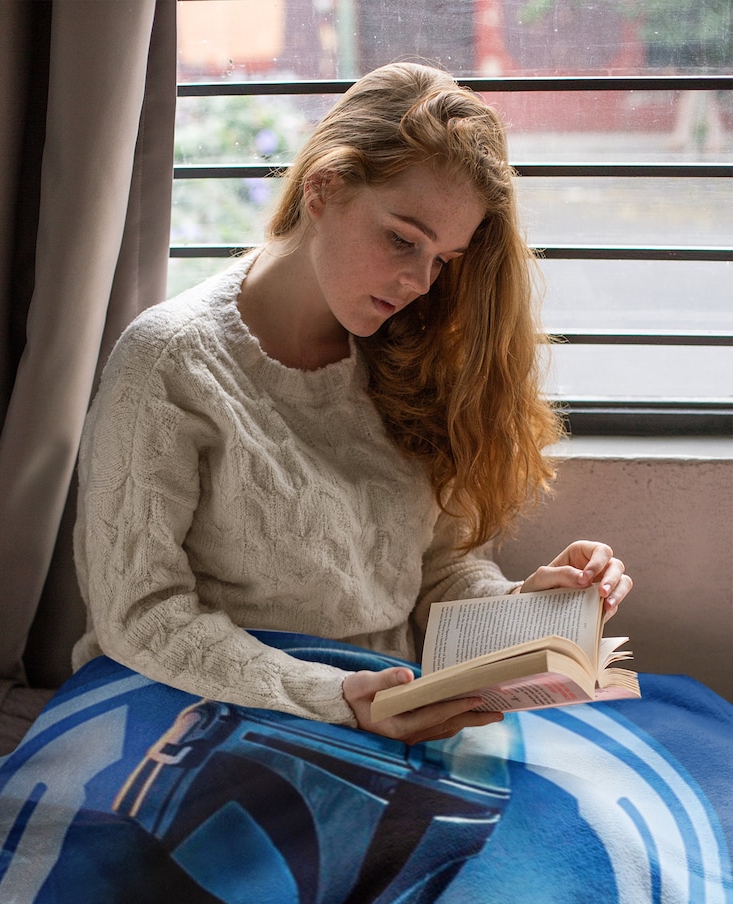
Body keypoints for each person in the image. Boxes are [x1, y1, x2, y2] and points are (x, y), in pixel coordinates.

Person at [72, 62, 632, 747]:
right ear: (322, 188)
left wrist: (521, 610)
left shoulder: (413, 354)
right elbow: (140, 613)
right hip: (205, 713)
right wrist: (334, 696)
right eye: (402, 239)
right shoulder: (167, 363)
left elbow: (437, 573)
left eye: (443, 260)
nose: (418, 282)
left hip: (390, 707)